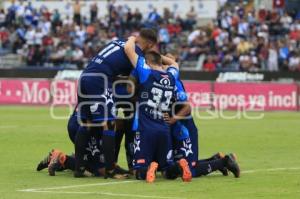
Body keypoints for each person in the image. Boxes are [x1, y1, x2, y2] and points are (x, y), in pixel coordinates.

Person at [74, 28, 157, 178]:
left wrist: (132, 38)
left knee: (86, 123)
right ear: (150, 44)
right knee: (110, 124)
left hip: (85, 76)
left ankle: (79, 169)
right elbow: (141, 75)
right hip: (99, 80)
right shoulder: (136, 52)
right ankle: (110, 171)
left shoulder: (121, 41)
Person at [124, 36, 192, 183]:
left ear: (147, 62)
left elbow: (128, 49)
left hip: (145, 130)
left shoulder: (146, 72)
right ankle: (180, 167)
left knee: (138, 171)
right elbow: (174, 63)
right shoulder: (171, 76)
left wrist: (132, 38)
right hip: (164, 129)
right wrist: (160, 59)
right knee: (168, 171)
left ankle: (149, 168)